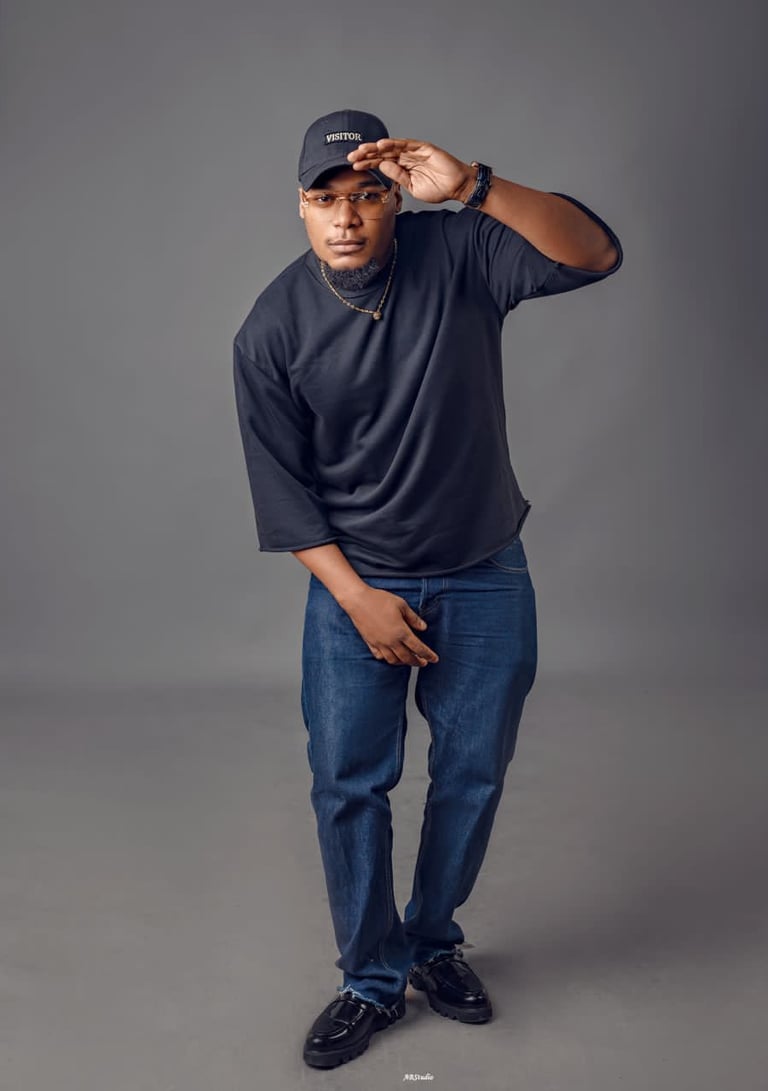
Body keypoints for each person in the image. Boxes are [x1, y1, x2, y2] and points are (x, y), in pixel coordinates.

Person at [233, 108, 623, 1069]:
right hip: (355, 582)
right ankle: (370, 978)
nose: (347, 217)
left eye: (368, 195)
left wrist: (477, 187)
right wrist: (358, 598)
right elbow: (282, 493)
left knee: (473, 774)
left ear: (396, 199)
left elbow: (596, 253)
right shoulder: (271, 328)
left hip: (485, 569)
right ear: (299, 205)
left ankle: (434, 939)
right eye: (326, 198)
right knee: (349, 785)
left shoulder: (462, 252)